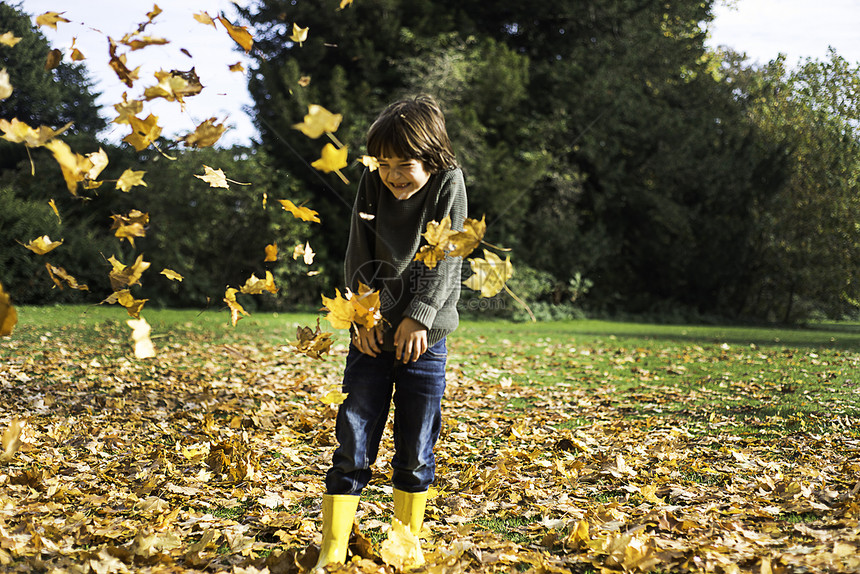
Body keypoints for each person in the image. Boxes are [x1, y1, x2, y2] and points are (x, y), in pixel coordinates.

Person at [314, 95, 467, 571]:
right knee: (353, 435)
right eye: (384, 164)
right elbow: (358, 250)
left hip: (425, 336)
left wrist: (419, 315)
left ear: (432, 158)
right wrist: (363, 314)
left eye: (405, 164)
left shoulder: (448, 183)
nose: (393, 175)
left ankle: (406, 544)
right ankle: (334, 548)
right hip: (372, 331)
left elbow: (446, 255)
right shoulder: (371, 182)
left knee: (416, 443)